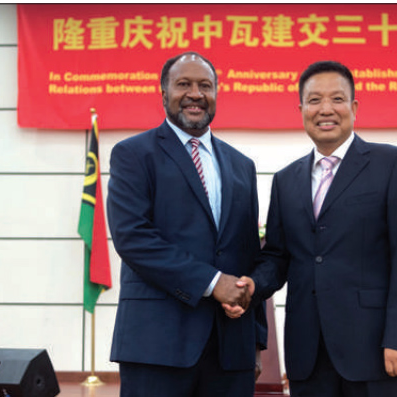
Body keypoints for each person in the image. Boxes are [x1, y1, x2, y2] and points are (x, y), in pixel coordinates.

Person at [226, 60, 397, 396]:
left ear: (354, 107)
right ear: (301, 108)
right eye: (314, 100)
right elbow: (278, 257)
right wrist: (251, 285)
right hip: (307, 352)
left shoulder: (394, 164)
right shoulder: (286, 180)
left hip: (375, 349)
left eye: (337, 99)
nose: (326, 109)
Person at [107, 51, 266, 397]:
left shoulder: (242, 166)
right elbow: (133, 239)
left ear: (216, 94)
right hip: (157, 348)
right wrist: (212, 283)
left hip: (230, 351)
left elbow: (248, 252)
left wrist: (255, 342)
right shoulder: (133, 154)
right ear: (163, 93)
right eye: (184, 84)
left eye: (205, 85)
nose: (195, 93)